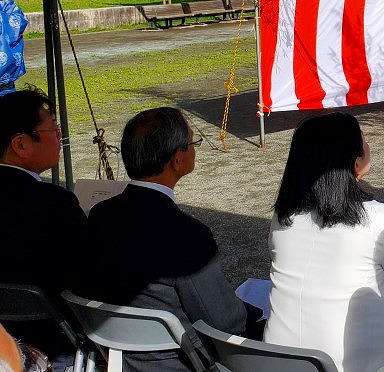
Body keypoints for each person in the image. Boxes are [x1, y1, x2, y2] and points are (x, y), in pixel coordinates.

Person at [77, 107, 260, 372]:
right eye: (192, 143)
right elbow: (225, 321)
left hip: (118, 354)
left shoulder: (101, 214)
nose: (195, 148)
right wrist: (255, 313)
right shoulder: (186, 233)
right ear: (176, 160)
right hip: (180, 360)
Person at [265, 113, 384, 372]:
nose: (368, 146)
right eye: (364, 141)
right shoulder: (382, 220)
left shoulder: (283, 218)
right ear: (356, 161)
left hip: (276, 362)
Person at [0, 87, 86, 361]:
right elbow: (89, 277)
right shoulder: (54, 204)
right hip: (52, 342)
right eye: (54, 130)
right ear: (21, 144)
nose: (61, 138)